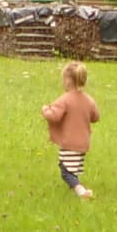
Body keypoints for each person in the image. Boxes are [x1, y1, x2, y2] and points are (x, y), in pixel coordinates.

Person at [42, 61, 100, 198]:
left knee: (65, 171)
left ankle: (81, 191)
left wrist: (45, 109)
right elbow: (96, 117)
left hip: (70, 143)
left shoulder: (65, 100)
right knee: (73, 168)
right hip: (83, 143)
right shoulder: (89, 100)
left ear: (68, 81)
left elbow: (54, 116)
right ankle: (76, 189)